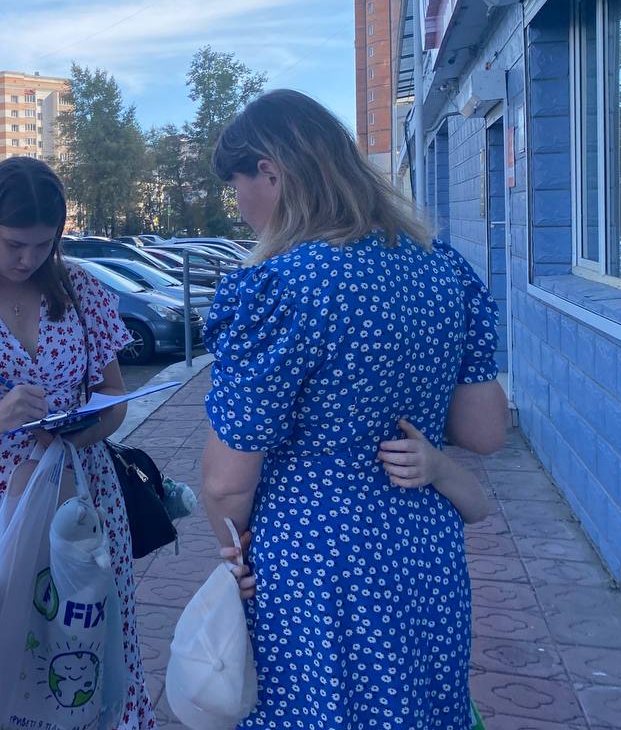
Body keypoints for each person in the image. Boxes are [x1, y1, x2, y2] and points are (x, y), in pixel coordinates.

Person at [198, 89, 508, 730]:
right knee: (420, 708)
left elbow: (227, 483)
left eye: (236, 186)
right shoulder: (444, 270)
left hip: (316, 566)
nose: (239, 206)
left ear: (270, 173)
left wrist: (234, 554)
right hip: (426, 549)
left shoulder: (282, 287)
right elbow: (483, 432)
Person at [0, 157, 157, 730]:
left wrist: (86, 426)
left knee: (86, 642)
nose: (28, 259)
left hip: (82, 499)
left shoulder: (78, 291)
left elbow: (114, 397)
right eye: (14, 244)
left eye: (43, 245)